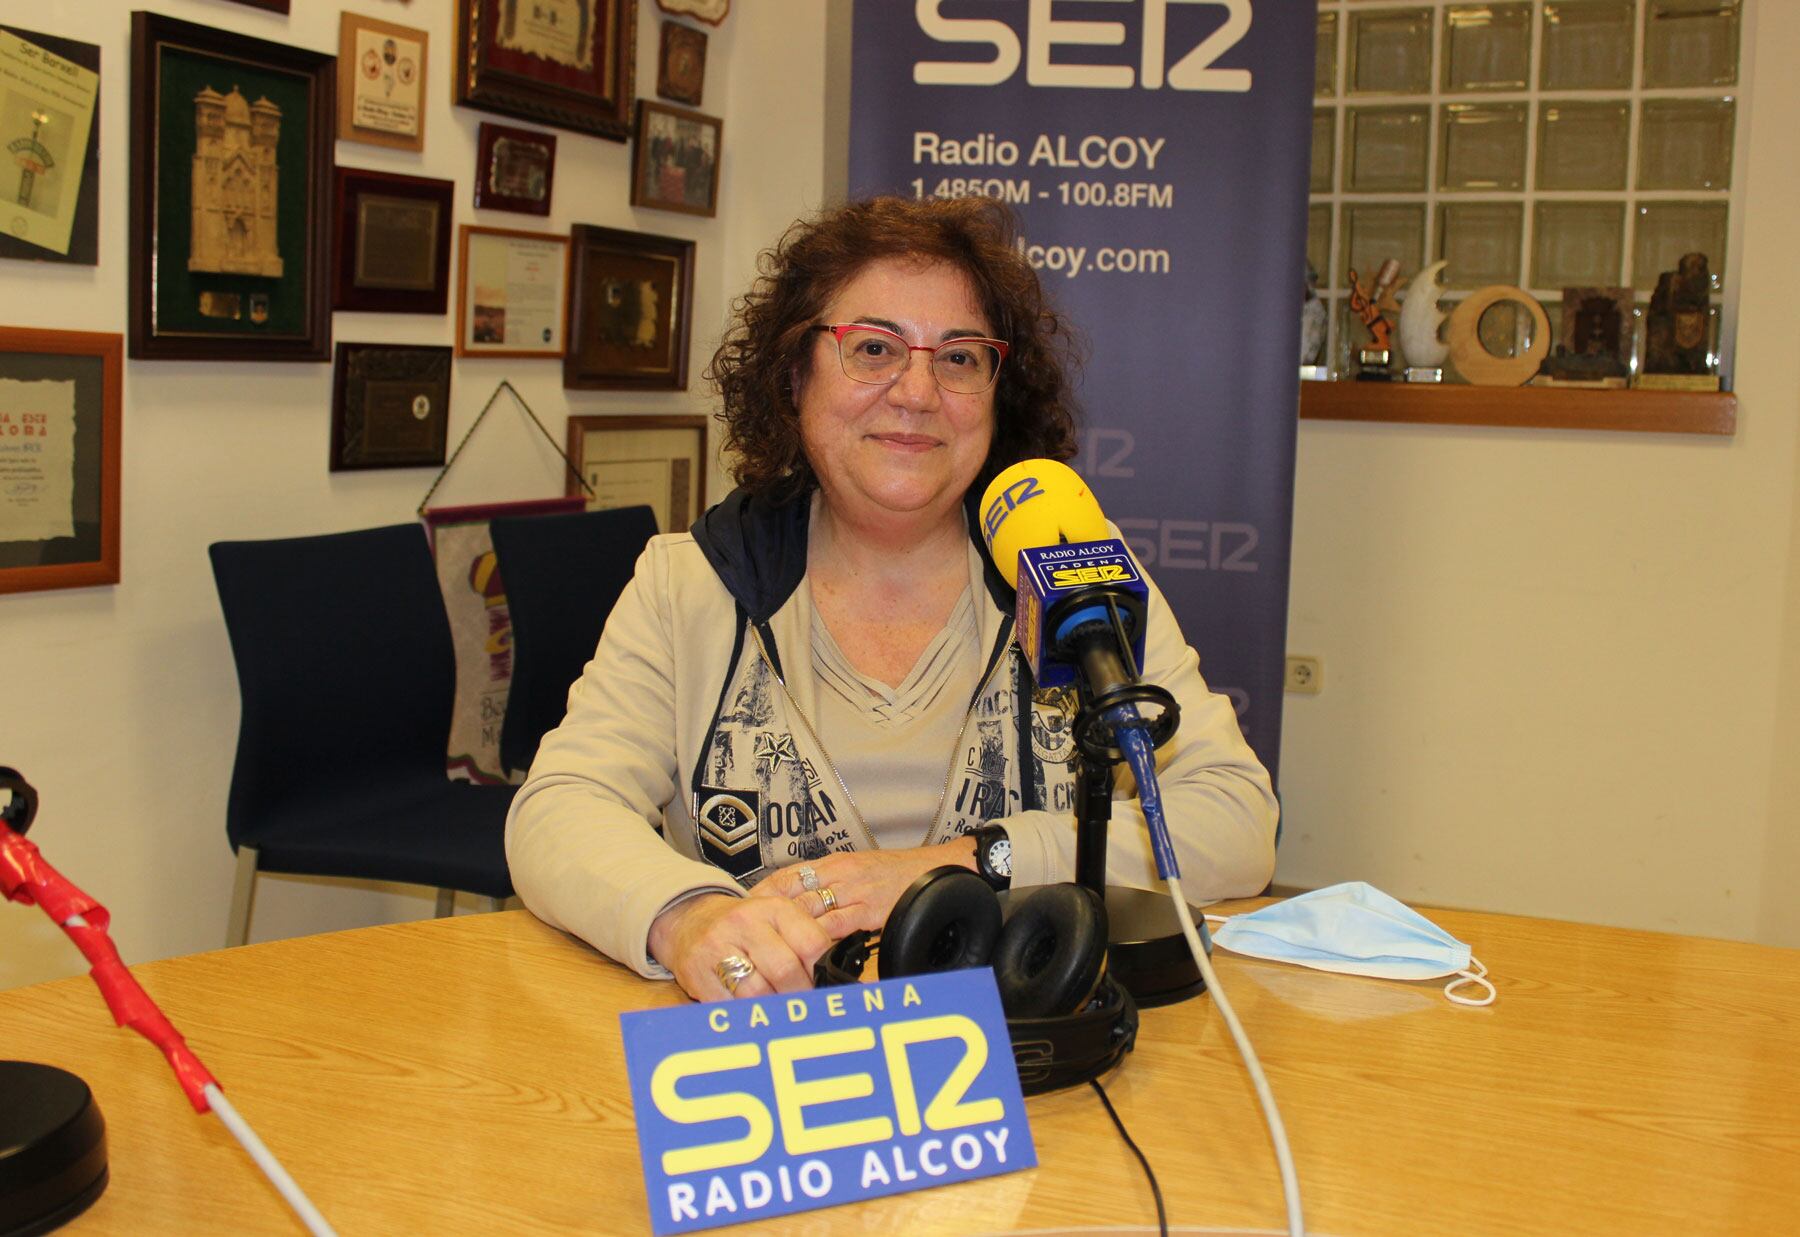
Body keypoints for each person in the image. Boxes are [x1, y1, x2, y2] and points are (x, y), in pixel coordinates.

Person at [505, 196, 1277, 1002]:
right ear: (795, 373)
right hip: (766, 1072)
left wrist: (978, 860)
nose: (916, 390)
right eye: (873, 347)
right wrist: (687, 914)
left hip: (1033, 1071)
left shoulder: (1071, 570)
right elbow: (560, 806)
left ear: (995, 391)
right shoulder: (691, 584)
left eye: (959, 358)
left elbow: (1232, 817)